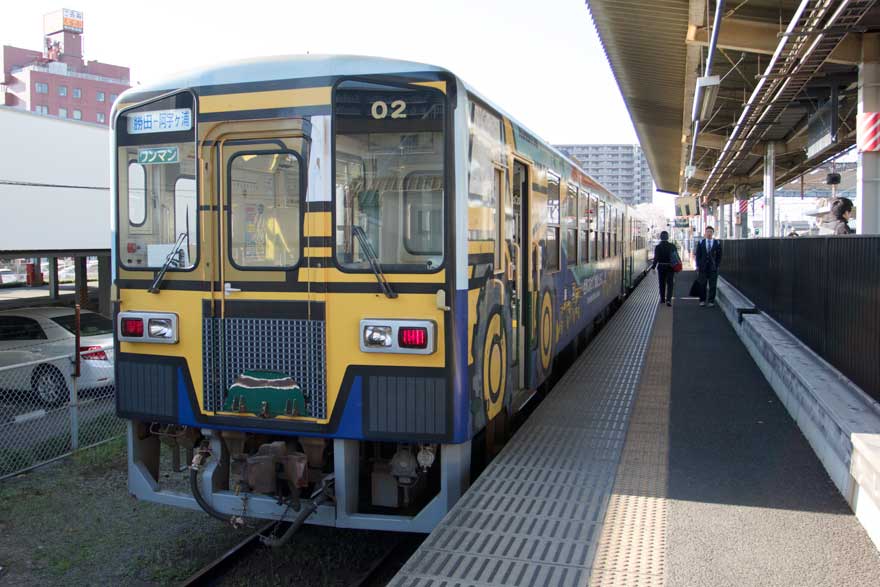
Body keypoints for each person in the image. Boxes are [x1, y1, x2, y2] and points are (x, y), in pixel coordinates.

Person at [695, 226, 722, 307]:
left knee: (712, 285)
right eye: (707, 231)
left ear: (713, 233)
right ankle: (702, 300)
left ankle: (711, 301)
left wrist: (717, 265)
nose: (709, 233)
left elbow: (719, 256)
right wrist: (698, 265)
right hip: (702, 267)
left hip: (713, 268)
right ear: (705, 233)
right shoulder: (701, 243)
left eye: (710, 231)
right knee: (702, 284)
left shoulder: (717, 243)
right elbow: (698, 255)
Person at [651, 231, 677, 307]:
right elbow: (676, 257)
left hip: (661, 267)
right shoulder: (672, 246)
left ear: (661, 237)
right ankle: (668, 299)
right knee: (670, 284)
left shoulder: (658, 247)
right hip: (670, 267)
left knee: (662, 283)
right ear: (667, 237)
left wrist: (653, 267)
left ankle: (662, 299)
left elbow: (656, 258)